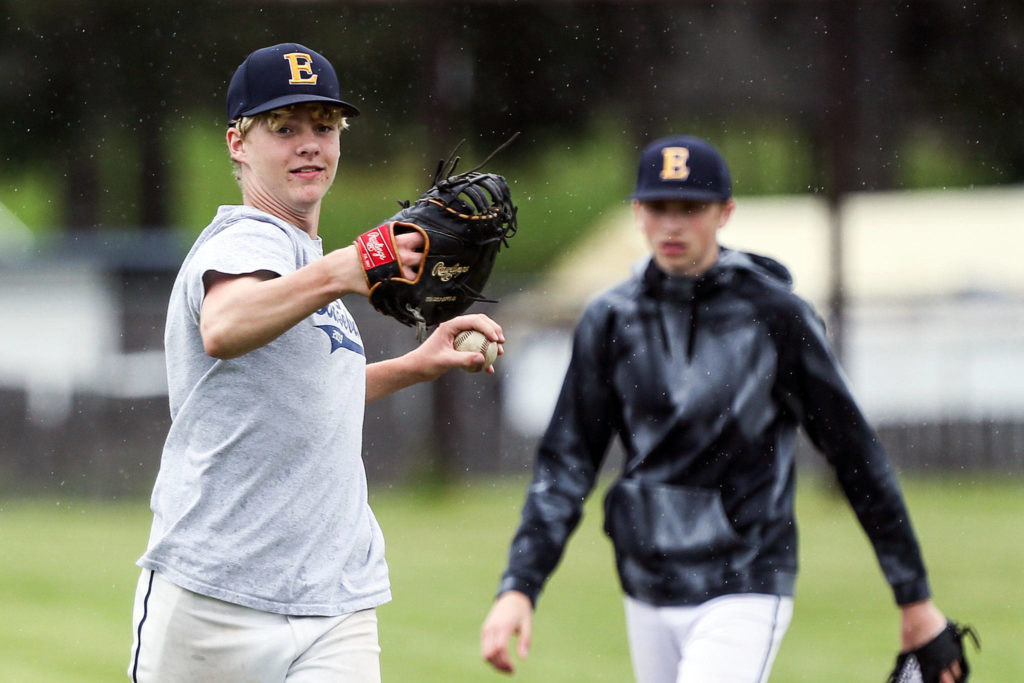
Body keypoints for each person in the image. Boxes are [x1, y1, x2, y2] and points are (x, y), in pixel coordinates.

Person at [480, 135, 961, 682]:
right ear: (637, 212)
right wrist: (519, 585)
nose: (673, 224)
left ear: (725, 212)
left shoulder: (776, 316)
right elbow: (566, 464)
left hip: (747, 577)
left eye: (691, 208)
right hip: (647, 583)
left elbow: (857, 457)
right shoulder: (610, 319)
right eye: (659, 206)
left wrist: (914, 597)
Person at [128, 43, 503, 682]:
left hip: (335, 596)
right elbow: (225, 326)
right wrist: (346, 267)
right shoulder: (245, 238)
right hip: (216, 595)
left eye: (324, 127)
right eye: (284, 128)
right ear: (237, 144)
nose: (309, 143)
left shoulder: (305, 258)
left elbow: (309, 390)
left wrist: (418, 363)